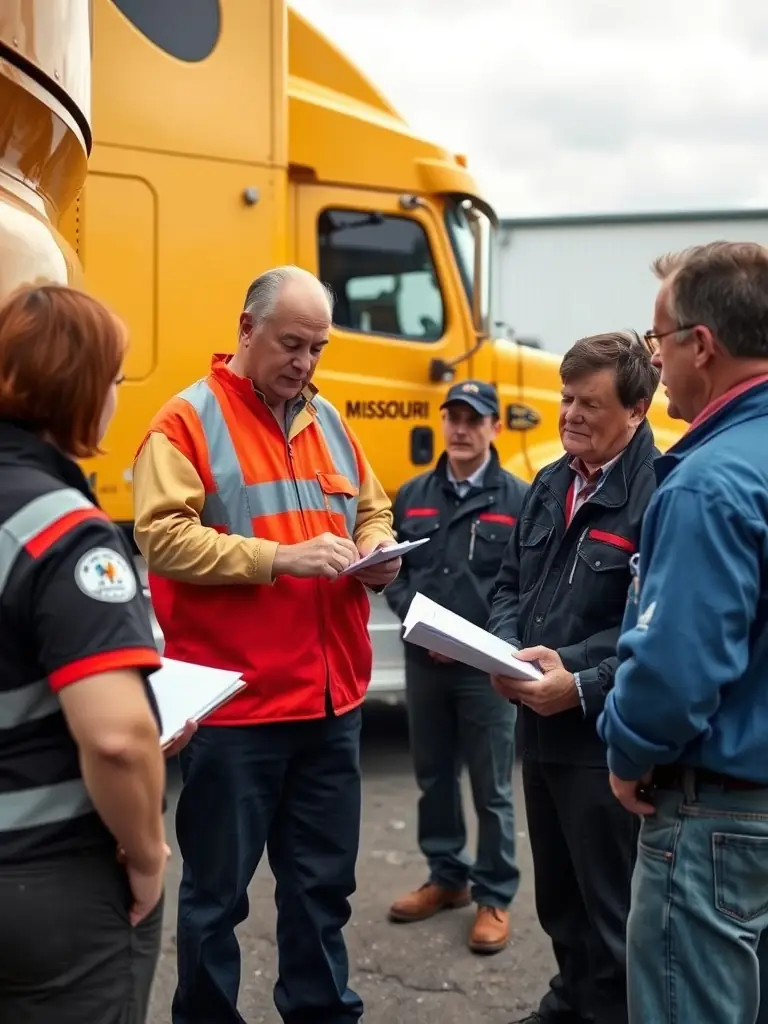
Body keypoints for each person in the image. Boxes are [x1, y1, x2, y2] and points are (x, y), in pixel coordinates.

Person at [132, 265, 399, 1024]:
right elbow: (162, 539)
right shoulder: (186, 420)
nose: (305, 363)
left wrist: (374, 546)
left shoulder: (330, 421)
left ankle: (321, 1011)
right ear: (245, 330)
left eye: (318, 347)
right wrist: (278, 557)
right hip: (238, 705)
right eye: (291, 344)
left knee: (321, 886)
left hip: (328, 701)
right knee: (216, 894)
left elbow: (372, 506)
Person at [598, 242, 768, 1024]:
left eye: (656, 339)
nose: (652, 358)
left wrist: (629, 752)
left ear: (702, 345)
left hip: (714, 821)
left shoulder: (707, 481)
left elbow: (673, 673)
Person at [0, 283, 179, 1024]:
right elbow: (114, 735)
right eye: (111, 381)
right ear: (80, 390)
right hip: (46, 877)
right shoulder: (63, 530)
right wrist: (146, 855)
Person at [487, 332, 660, 1024]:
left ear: (637, 410)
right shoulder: (551, 483)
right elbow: (508, 586)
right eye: (566, 399)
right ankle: (571, 1002)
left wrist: (579, 680)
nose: (571, 415)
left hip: (600, 739)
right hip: (538, 722)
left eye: (590, 403)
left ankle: (610, 1011)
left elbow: (647, 628)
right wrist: (501, 648)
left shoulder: (659, 492)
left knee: (610, 903)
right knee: (559, 895)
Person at [383, 380, 527, 954]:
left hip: (484, 667)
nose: (462, 429)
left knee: (491, 785)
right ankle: (448, 878)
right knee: (433, 775)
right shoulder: (414, 493)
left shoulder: (518, 498)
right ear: (443, 423)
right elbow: (393, 570)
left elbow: (519, 585)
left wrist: (480, 642)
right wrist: (415, 619)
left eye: (475, 419)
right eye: (454, 418)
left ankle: (494, 893)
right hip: (426, 661)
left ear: (494, 427)